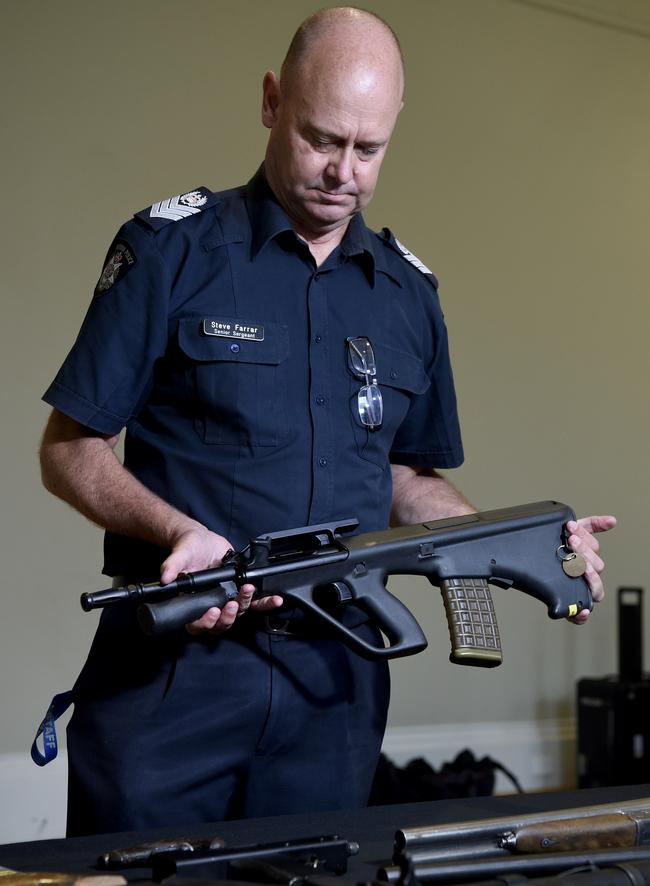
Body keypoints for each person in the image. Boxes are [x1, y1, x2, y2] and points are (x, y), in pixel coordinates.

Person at [39, 7, 615, 836]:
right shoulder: (172, 252)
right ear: (273, 101)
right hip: (172, 680)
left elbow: (407, 479)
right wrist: (175, 532)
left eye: (368, 149)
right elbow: (69, 449)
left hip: (336, 687)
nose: (342, 170)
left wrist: (525, 544)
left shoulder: (409, 295)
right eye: (321, 139)